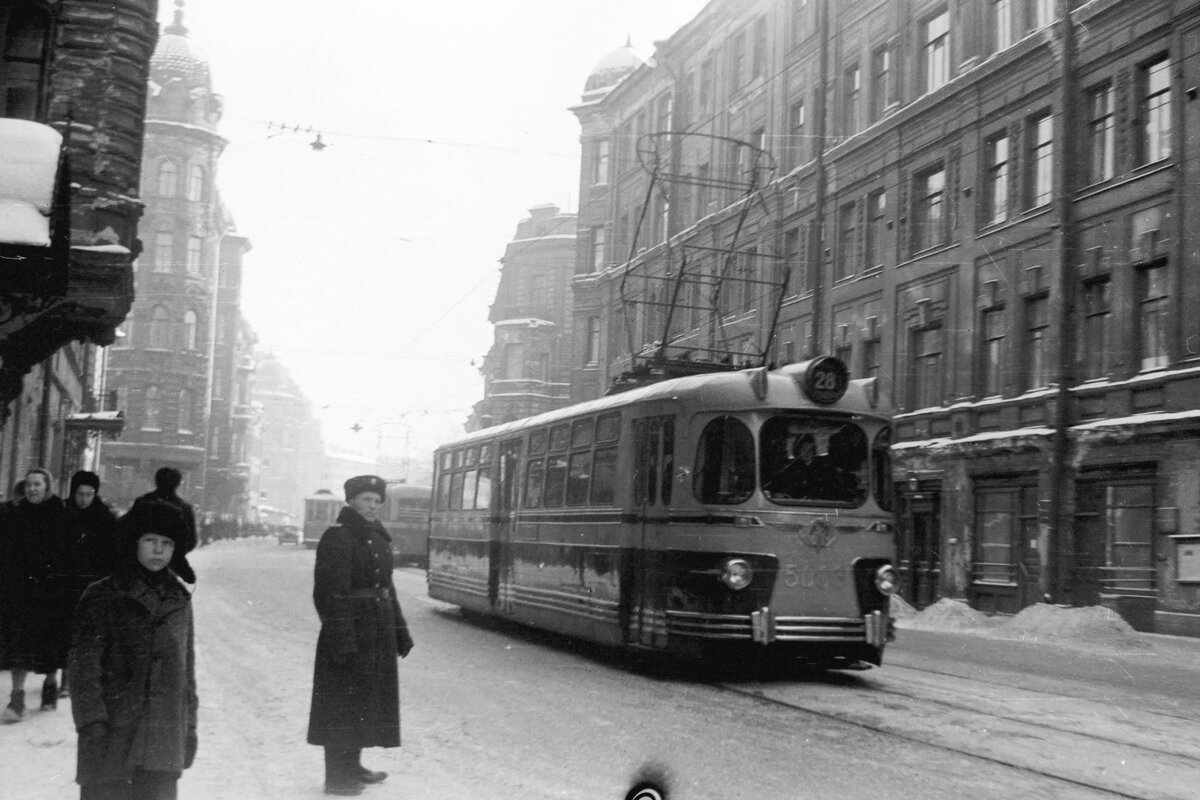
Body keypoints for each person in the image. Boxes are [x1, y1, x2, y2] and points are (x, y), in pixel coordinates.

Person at [70, 499, 197, 800]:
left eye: (167, 543)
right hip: (111, 735)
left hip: (162, 740)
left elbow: (185, 672)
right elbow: (84, 667)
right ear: (133, 542)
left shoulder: (179, 599)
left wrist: (189, 727)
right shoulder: (103, 595)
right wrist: (92, 722)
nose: (158, 550)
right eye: (150, 540)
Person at [307, 475, 414, 797]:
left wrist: (400, 632)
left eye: (377, 501)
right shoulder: (338, 537)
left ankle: (352, 765)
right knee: (341, 702)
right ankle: (336, 777)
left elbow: (388, 589)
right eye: (367, 499)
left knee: (363, 700)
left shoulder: (377, 537)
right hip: (350, 630)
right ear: (351, 500)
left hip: (377, 630)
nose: (372, 506)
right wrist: (342, 637)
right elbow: (328, 592)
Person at [0, 468, 67, 722]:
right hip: (21, 591)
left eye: (37, 484)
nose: (32, 489)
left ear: (47, 486)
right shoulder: (15, 514)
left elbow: (65, 552)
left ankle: (50, 686)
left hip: (50, 591)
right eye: (29, 484)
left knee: (48, 644)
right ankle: (16, 700)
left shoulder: (59, 513)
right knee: (19, 646)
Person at [55, 471, 120, 700]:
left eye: (89, 494)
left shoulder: (104, 518)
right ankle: (61, 676)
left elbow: (112, 553)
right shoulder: (61, 512)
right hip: (63, 582)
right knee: (63, 631)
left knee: (86, 632)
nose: (83, 499)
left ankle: (72, 676)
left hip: (91, 585)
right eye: (79, 494)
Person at [131, 468, 197, 584]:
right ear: (177, 484)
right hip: (169, 566)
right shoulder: (184, 508)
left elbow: (128, 532)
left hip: (138, 564)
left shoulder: (142, 503)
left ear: (156, 481)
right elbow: (190, 541)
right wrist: (172, 553)